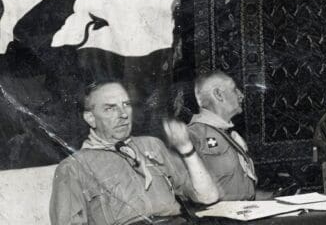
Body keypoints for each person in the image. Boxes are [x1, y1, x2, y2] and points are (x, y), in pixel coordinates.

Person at [50, 81, 219, 225]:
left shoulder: (153, 145)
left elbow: (207, 197)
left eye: (126, 105)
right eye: (110, 108)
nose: (123, 115)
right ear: (91, 118)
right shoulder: (73, 167)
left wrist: (187, 150)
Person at [188, 71, 264, 200]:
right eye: (235, 90)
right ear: (218, 94)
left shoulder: (230, 135)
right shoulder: (192, 136)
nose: (242, 95)